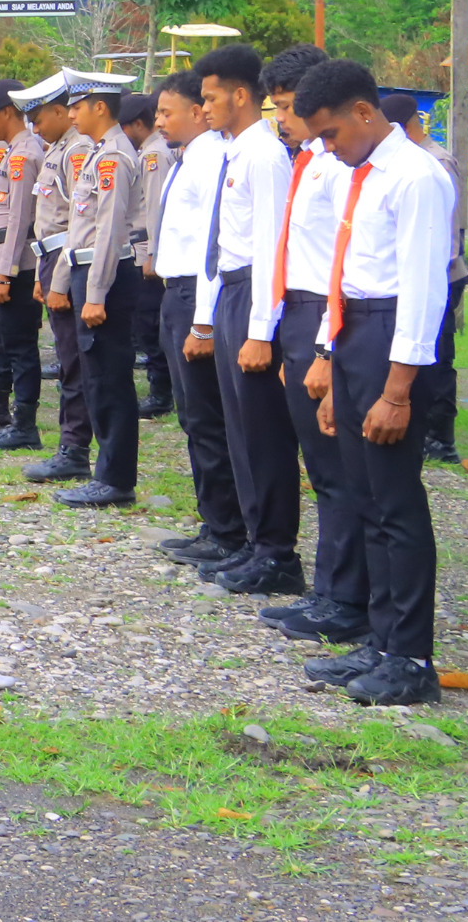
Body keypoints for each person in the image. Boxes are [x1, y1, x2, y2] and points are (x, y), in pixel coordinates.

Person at [290, 57, 455, 707]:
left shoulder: (414, 177)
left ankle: (411, 656)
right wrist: (330, 355)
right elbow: (344, 270)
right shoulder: (361, 172)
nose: (327, 149)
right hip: (356, 332)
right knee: (363, 495)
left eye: (330, 134)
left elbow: (421, 289)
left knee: (394, 503)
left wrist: (396, 391)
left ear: (365, 113)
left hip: (395, 340)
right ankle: (381, 638)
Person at [254, 49, 368, 646]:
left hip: (325, 319)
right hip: (297, 315)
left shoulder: (340, 164)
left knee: (336, 471)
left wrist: (324, 349)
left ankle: (344, 598)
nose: (282, 118)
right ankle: (332, 589)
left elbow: (338, 263)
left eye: (290, 106)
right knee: (320, 468)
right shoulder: (308, 160)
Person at [190, 43, 304, 598]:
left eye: (210, 97)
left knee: (263, 433)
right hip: (232, 291)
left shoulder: (264, 154)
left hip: (257, 295)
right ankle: (255, 543)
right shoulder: (237, 150)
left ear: (240, 95)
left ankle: (277, 551)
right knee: (239, 431)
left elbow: (269, 245)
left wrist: (262, 331)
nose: (204, 107)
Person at [148, 68, 248, 572]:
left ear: (195, 110)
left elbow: (214, 245)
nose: (159, 120)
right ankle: (215, 522)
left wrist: (203, 321)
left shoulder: (213, 158)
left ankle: (229, 529)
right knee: (193, 417)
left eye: (168, 111)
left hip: (197, 293)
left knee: (208, 418)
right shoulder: (190, 158)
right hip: (177, 291)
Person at [44, 82, 144, 507]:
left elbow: (109, 231)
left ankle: (115, 478)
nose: (71, 116)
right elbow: (79, 231)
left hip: (107, 275)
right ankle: (106, 473)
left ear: (99, 108)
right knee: (96, 375)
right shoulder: (99, 153)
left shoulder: (115, 158)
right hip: (86, 270)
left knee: (109, 378)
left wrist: (97, 292)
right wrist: (63, 282)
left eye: (78, 107)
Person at [383, 91, 466, 462]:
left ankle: (441, 438)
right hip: (420, 274)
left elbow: (445, 233)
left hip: (443, 274)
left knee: (439, 356)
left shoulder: (434, 162)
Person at [0, 80, 48, 450]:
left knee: (20, 347)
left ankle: (25, 425)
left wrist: (4, 272)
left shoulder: (24, 155)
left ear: (7, 112)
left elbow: (19, 219)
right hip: (6, 263)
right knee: (10, 343)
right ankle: (8, 414)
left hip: (18, 267)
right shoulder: (11, 151)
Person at [22, 82, 91, 474]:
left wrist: (59, 280)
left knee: (73, 360)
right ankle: (72, 443)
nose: (35, 126)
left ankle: (75, 447)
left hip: (67, 262)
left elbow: (77, 223)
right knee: (67, 357)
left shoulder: (77, 150)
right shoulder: (59, 150)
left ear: (63, 112)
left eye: (39, 117)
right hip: (52, 261)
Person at [123, 91, 176, 419]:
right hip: (144, 246)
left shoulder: (154, 155)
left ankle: (161, 392)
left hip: (147, 248)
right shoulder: (152, 151)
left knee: (150, 323)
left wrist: (152, 254)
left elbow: (156, 207)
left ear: (136, 125)